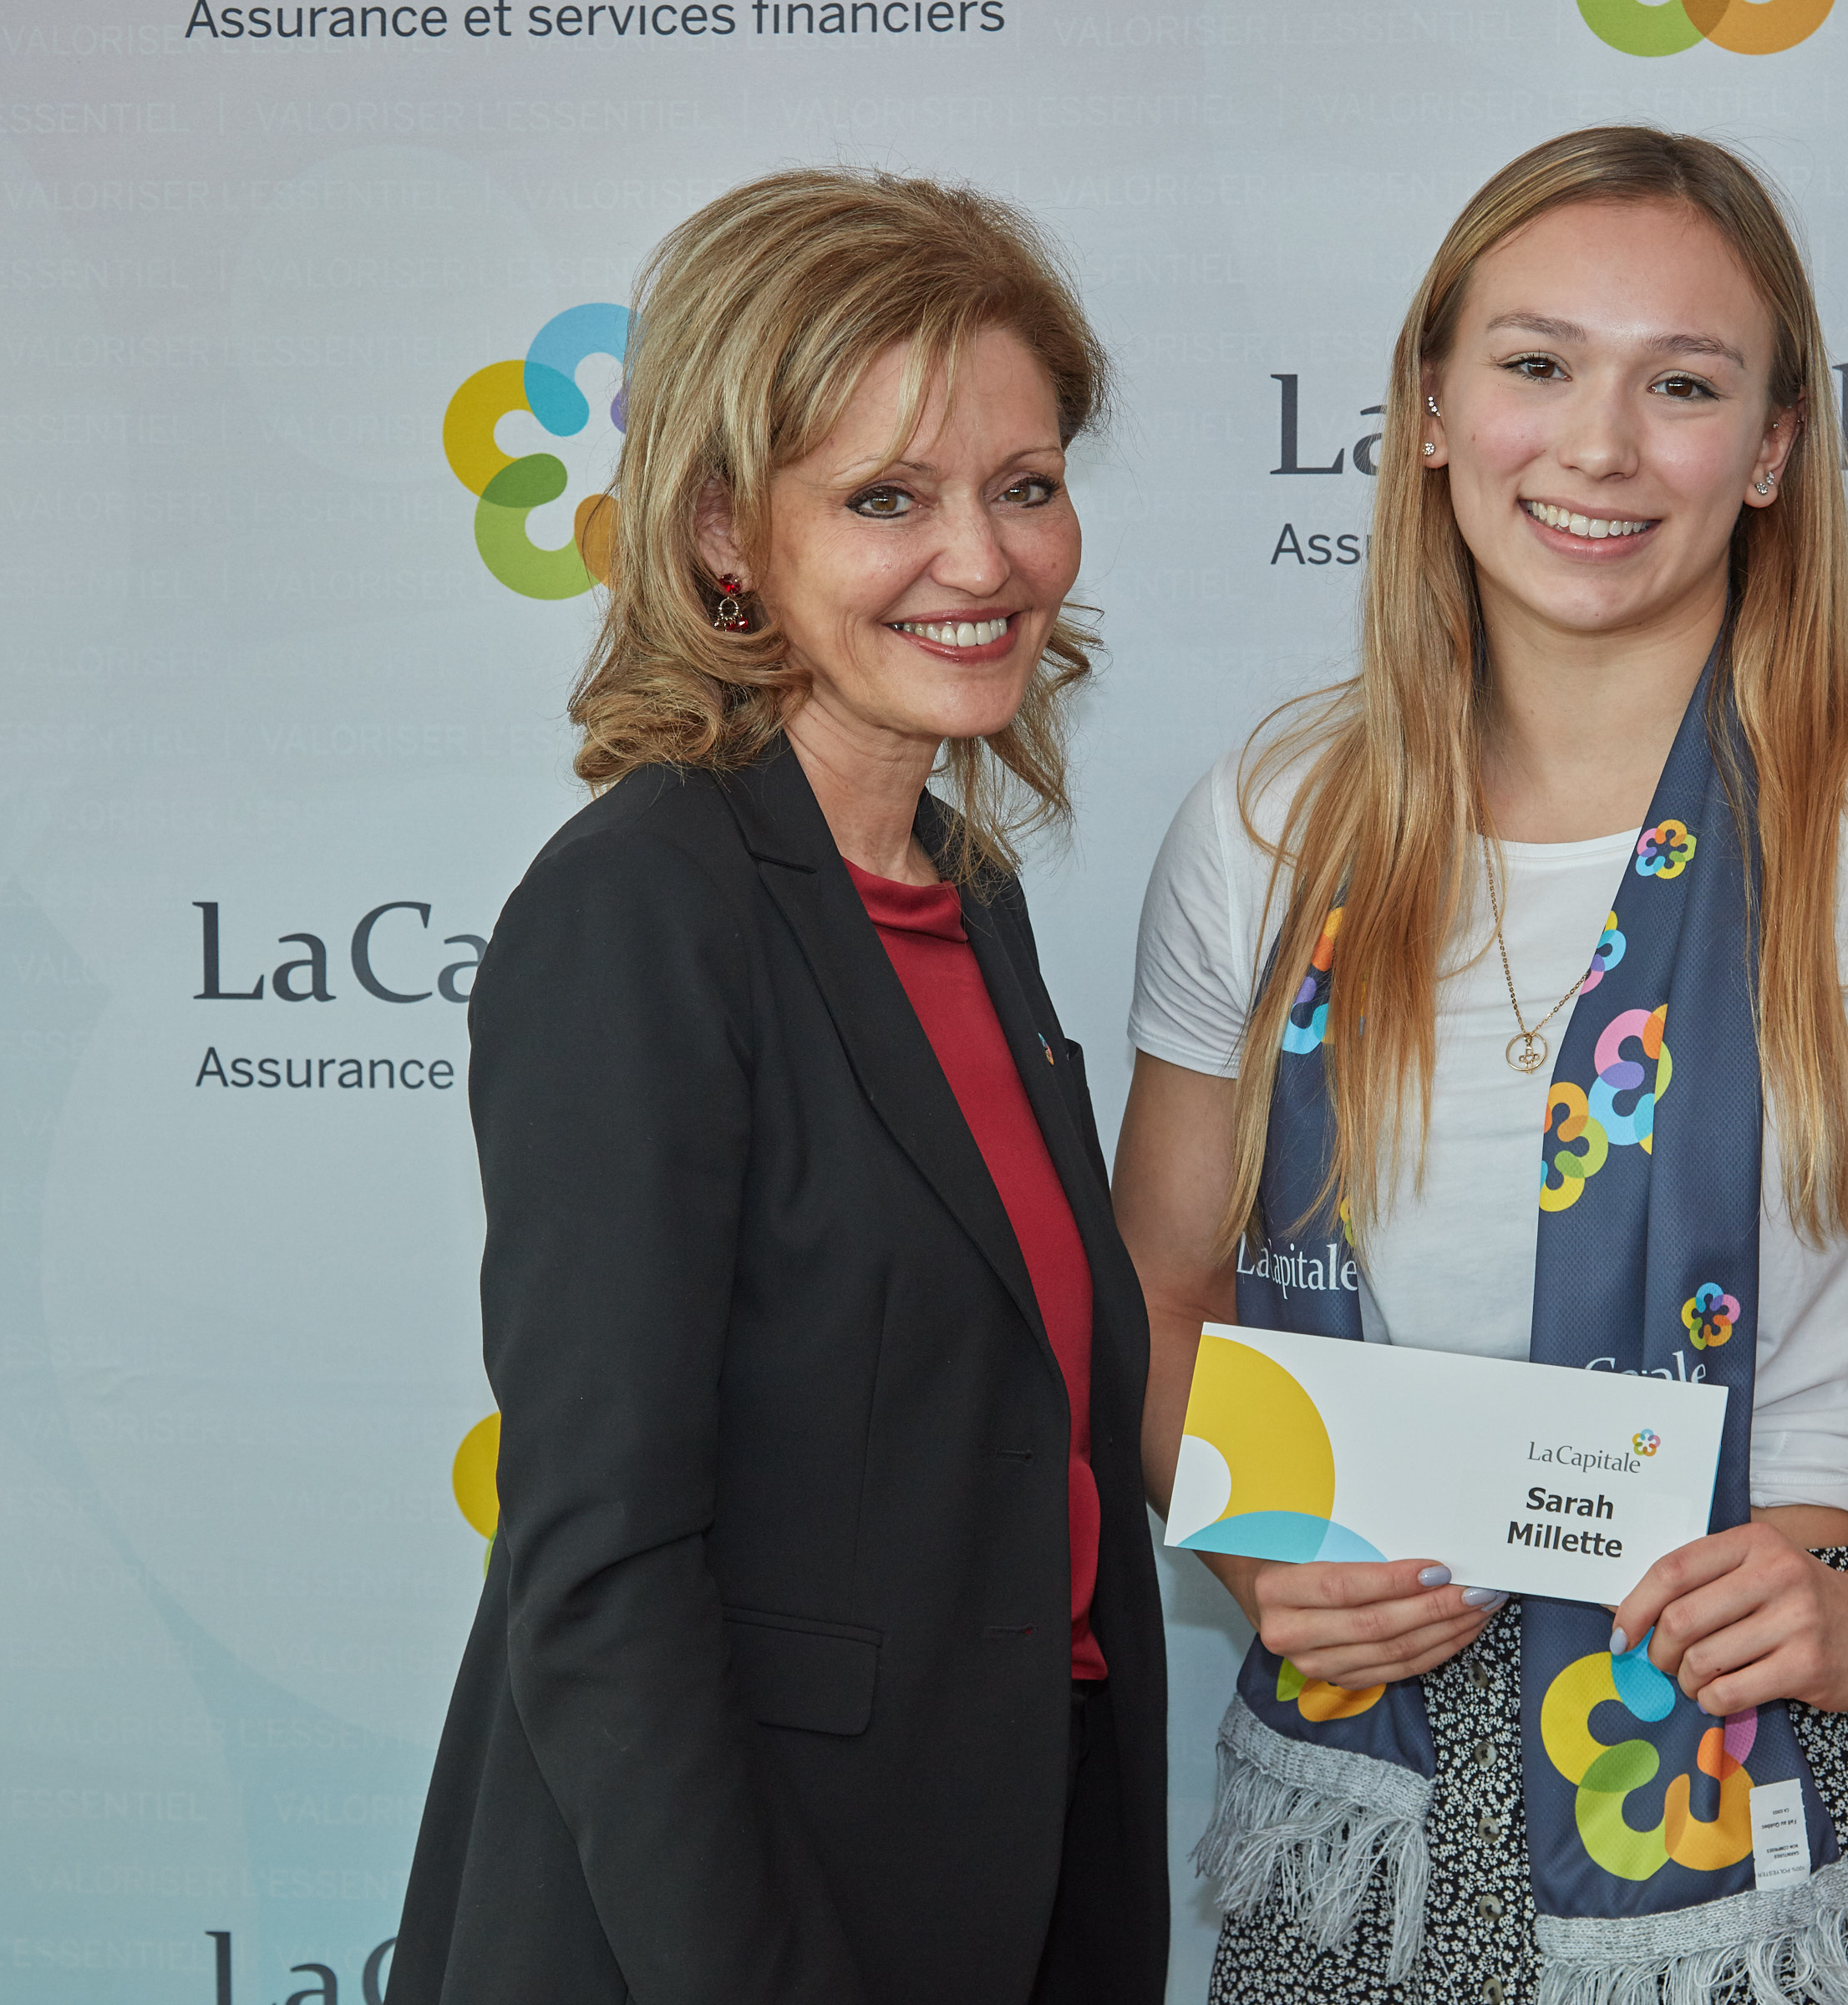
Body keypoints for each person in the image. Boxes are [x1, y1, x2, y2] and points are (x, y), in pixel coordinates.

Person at [1114, 127, 1848, 2004]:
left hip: (1763, 1817)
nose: (1596, 444)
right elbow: (1157, 1298)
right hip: (1355, 1835)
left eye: (1681, 384)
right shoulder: (1269, 821)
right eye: (1534, 363)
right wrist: (1257, 1560)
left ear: (1768, 451)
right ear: (1428, 408)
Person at [391, 169, 1167, 2005]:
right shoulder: (642, 909)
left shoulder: (965, 898)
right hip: (727, 1933)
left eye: (1024, 487)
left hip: (994, 1878)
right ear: (729, 537)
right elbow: (602, 1576)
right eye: (887, 499)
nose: (981, 561)